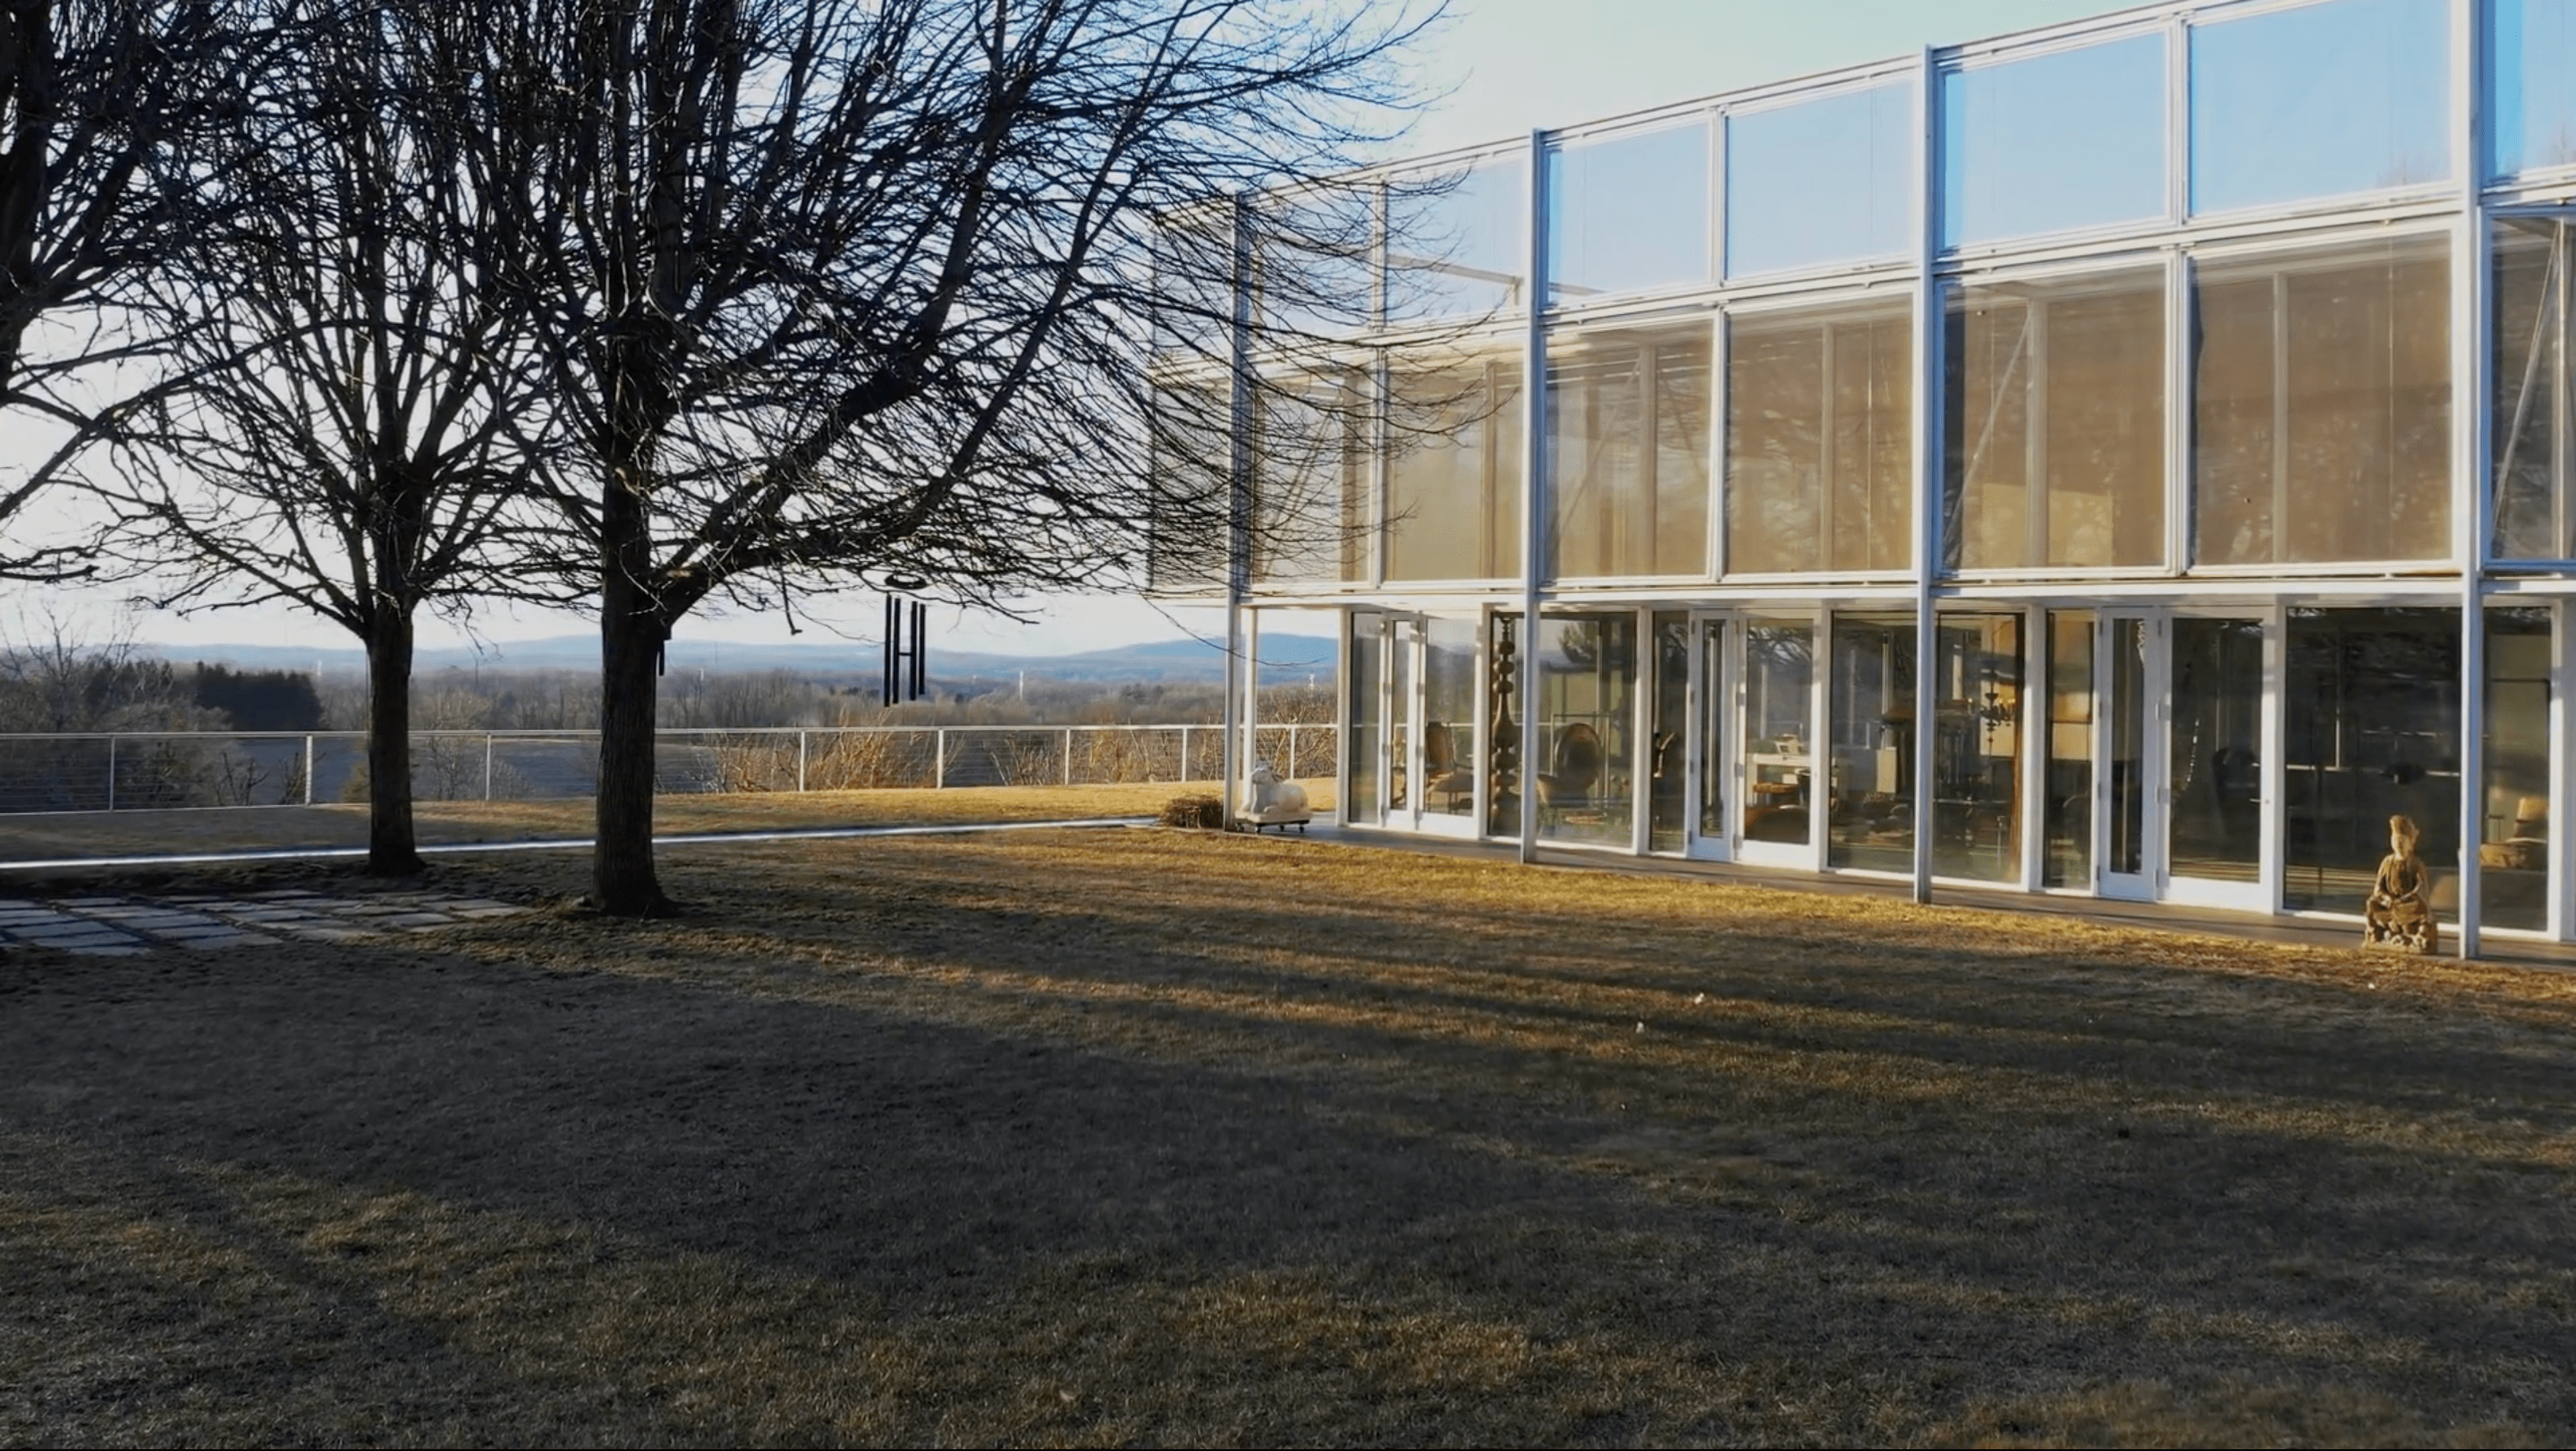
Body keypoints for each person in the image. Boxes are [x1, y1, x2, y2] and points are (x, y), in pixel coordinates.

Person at [2363, 813, 2438, 955]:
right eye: (2396, 839)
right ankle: (2375, 935)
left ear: (2410, 842)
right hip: (2389, 905)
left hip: (2407, 905)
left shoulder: (2415, 864)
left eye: (2402, 840)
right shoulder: (2387, 862)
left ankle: (2413, 936)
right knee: (2372, 904)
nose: (2399, 843)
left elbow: (2421, 889)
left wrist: (2406, 898)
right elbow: (2378, 887)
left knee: (2420, 908)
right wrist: (2386, 898)